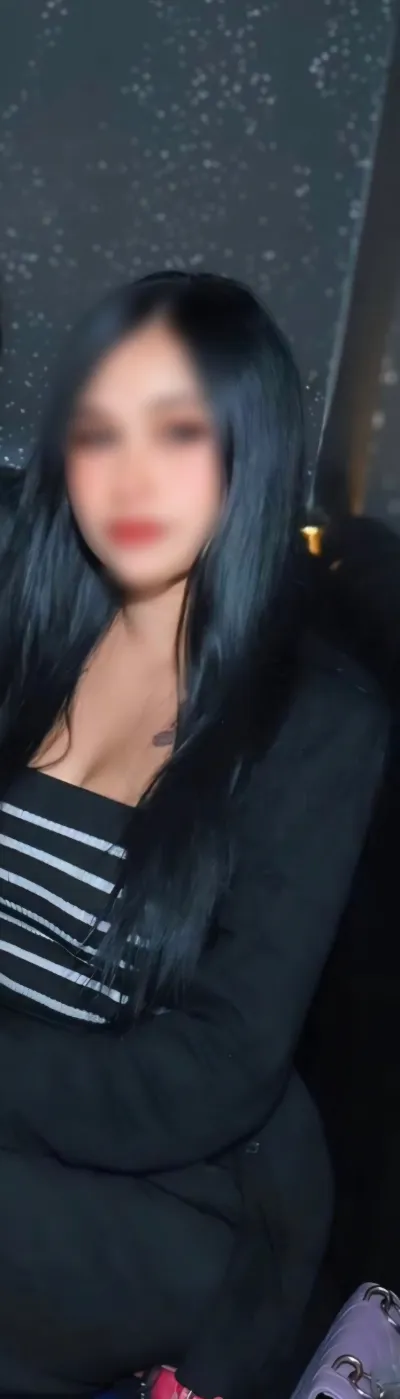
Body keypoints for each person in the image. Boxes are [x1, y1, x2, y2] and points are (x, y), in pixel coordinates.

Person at [0, 271, 387, 1399]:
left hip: (173, 1188)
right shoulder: (25, 633)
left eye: (176, 432)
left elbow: (217, 1070)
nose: (129, 476)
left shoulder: (318, 722)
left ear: (247, 452)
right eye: (99, 431)